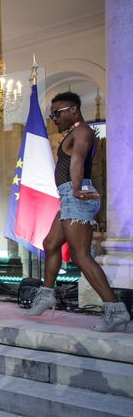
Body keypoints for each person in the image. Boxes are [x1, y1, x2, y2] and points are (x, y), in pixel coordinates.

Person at [26, 92, 130, 332]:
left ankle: (115, 309)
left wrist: (75, 188)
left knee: (80, 256)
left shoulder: (82, 131)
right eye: (51, 114)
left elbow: (78, 161)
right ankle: (47, 295)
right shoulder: (73, 132)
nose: (54, 118)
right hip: (69, 197)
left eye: (57, 113)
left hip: (76, 195)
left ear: (73, 109)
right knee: (51, 242)